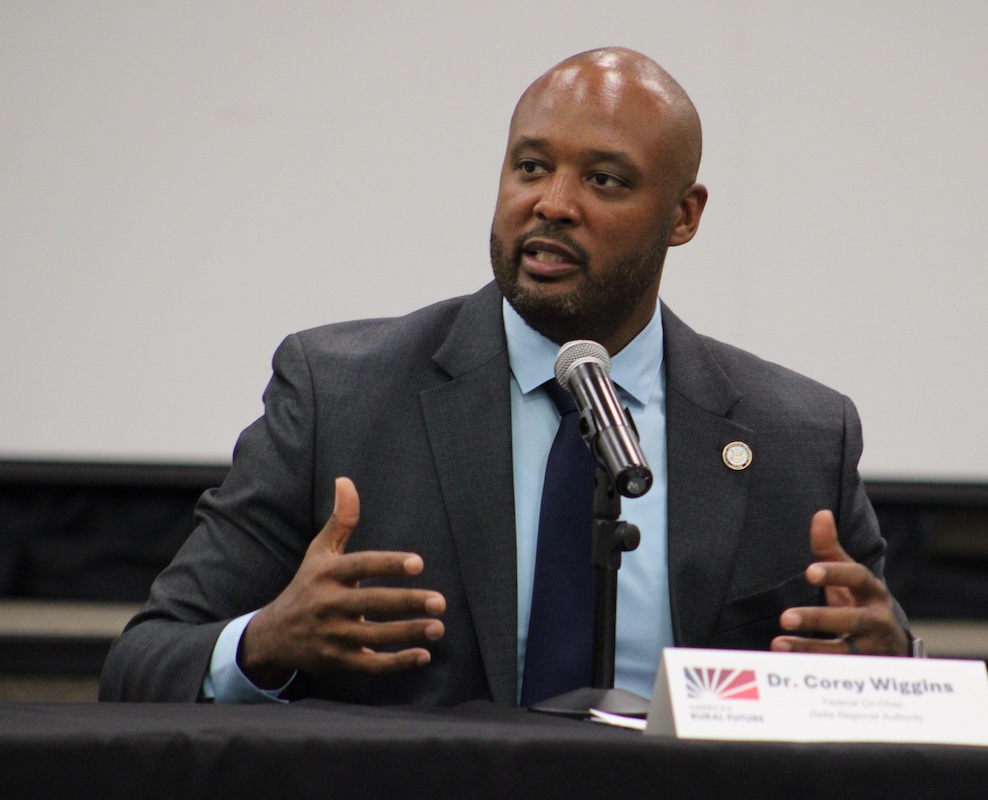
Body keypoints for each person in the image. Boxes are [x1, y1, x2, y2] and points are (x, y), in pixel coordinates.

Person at [99, 47, 913, 706]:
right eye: (531, 167)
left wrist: (891, 667)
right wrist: (266, 641)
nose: (553, 204)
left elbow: (886, 670)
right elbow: (142, 665)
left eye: (604, 180)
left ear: (684, 216)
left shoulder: (798, 437)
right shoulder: (339, 397)